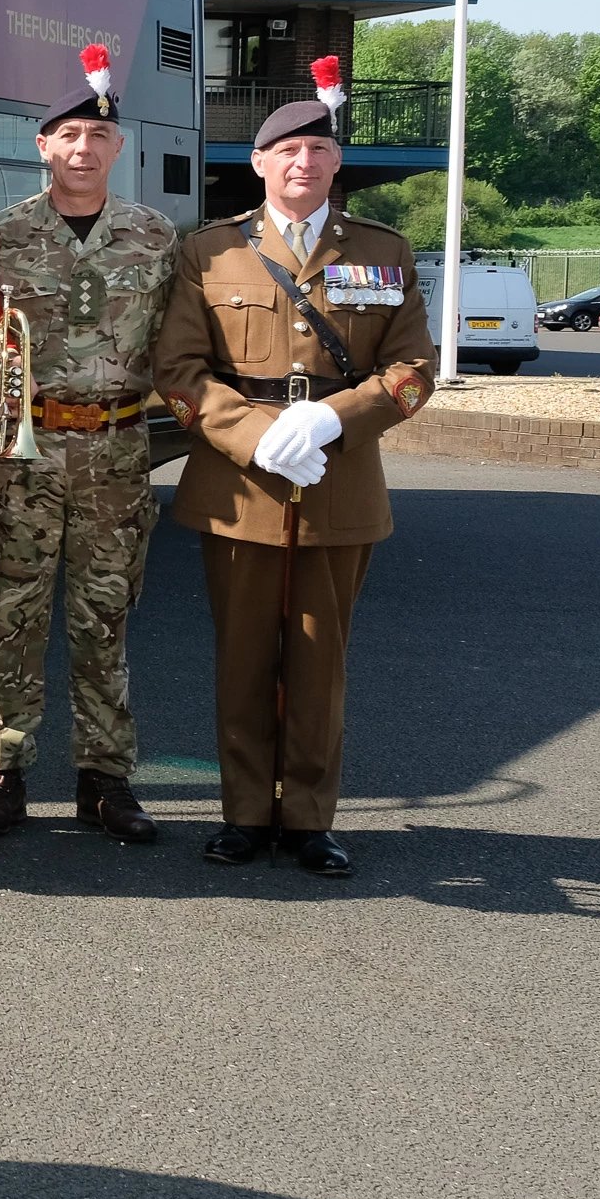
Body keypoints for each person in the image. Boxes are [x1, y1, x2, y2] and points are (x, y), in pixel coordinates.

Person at [152, 61, 433, 876]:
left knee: (319, 662)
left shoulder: (385, 251)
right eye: (287, 151)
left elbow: (415, 368)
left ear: (336, 165)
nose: (302, 163)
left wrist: (330, 418)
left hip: (339, 482)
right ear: (259, 164)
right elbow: (176, 368)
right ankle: (244, 813)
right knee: (242, 657)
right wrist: (248, 433)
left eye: (317, 150)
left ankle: (309, 817)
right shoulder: (208, 251)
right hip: (238, 484)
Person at [0, 45, 179, 844]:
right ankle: (0, 768)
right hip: (24, 453)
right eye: (67, 135)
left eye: (97, 136)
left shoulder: (155, 238)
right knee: (9, 614)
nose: (83, 148)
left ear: (118, 148)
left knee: (106, 617)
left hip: (118, 454)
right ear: (41, 144)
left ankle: (106, 777)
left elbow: (179, 345)